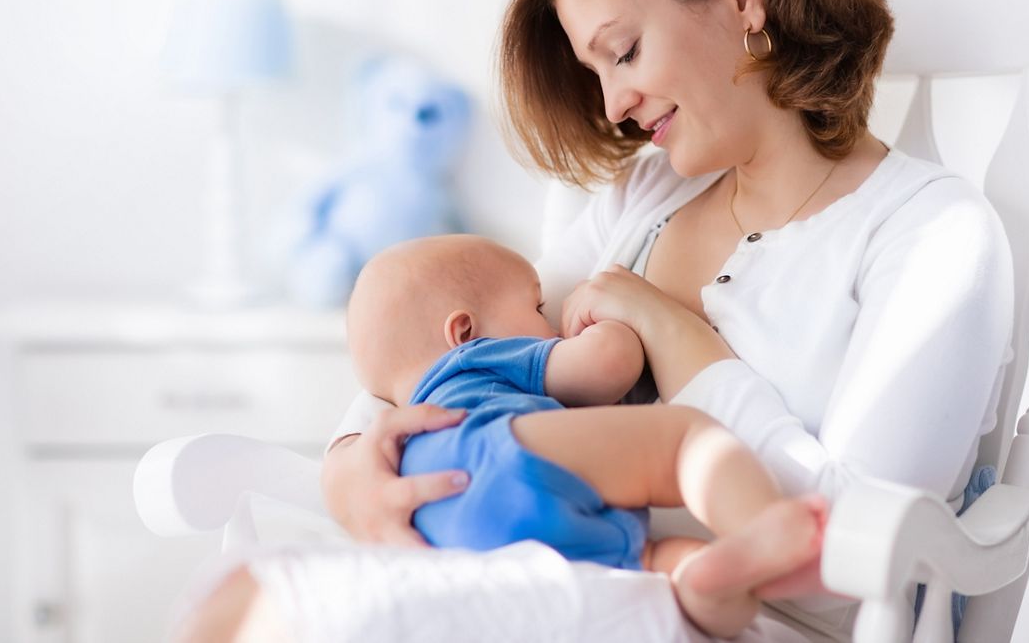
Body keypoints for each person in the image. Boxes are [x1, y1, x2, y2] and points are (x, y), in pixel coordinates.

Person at [187, 0, 1014, 642]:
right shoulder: (643, 193)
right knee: (247, 603)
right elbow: (468, 342)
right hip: (538, 584)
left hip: (743, 616)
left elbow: (854, 555)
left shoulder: (929, 234)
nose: (614, 103)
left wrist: (676, 336)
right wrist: (349, 464)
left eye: (622, 51)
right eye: (596, 72)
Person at [346, 232, 827, 638]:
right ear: (465, 330)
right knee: (684, 441)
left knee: (651, 564)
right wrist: (607, 327)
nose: (551, 323)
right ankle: (765, 527)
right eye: (538, 306)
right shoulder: (476, 359)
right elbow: (609, 365)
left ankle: (701, 578)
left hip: (446, 533)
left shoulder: (403, 434)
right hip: (500, 453)